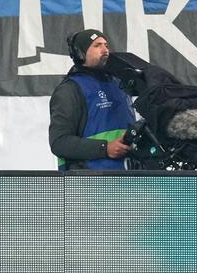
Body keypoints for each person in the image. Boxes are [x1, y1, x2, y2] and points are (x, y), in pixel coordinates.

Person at [48, 29, 136, 171]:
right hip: (89, 184)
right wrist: (105, 148)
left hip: (130, 178)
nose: (105, 50)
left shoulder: (120, 84)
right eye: (97, 46)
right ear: (80, 54)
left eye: (106, 45)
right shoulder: (69, 90)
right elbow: (59, 142)